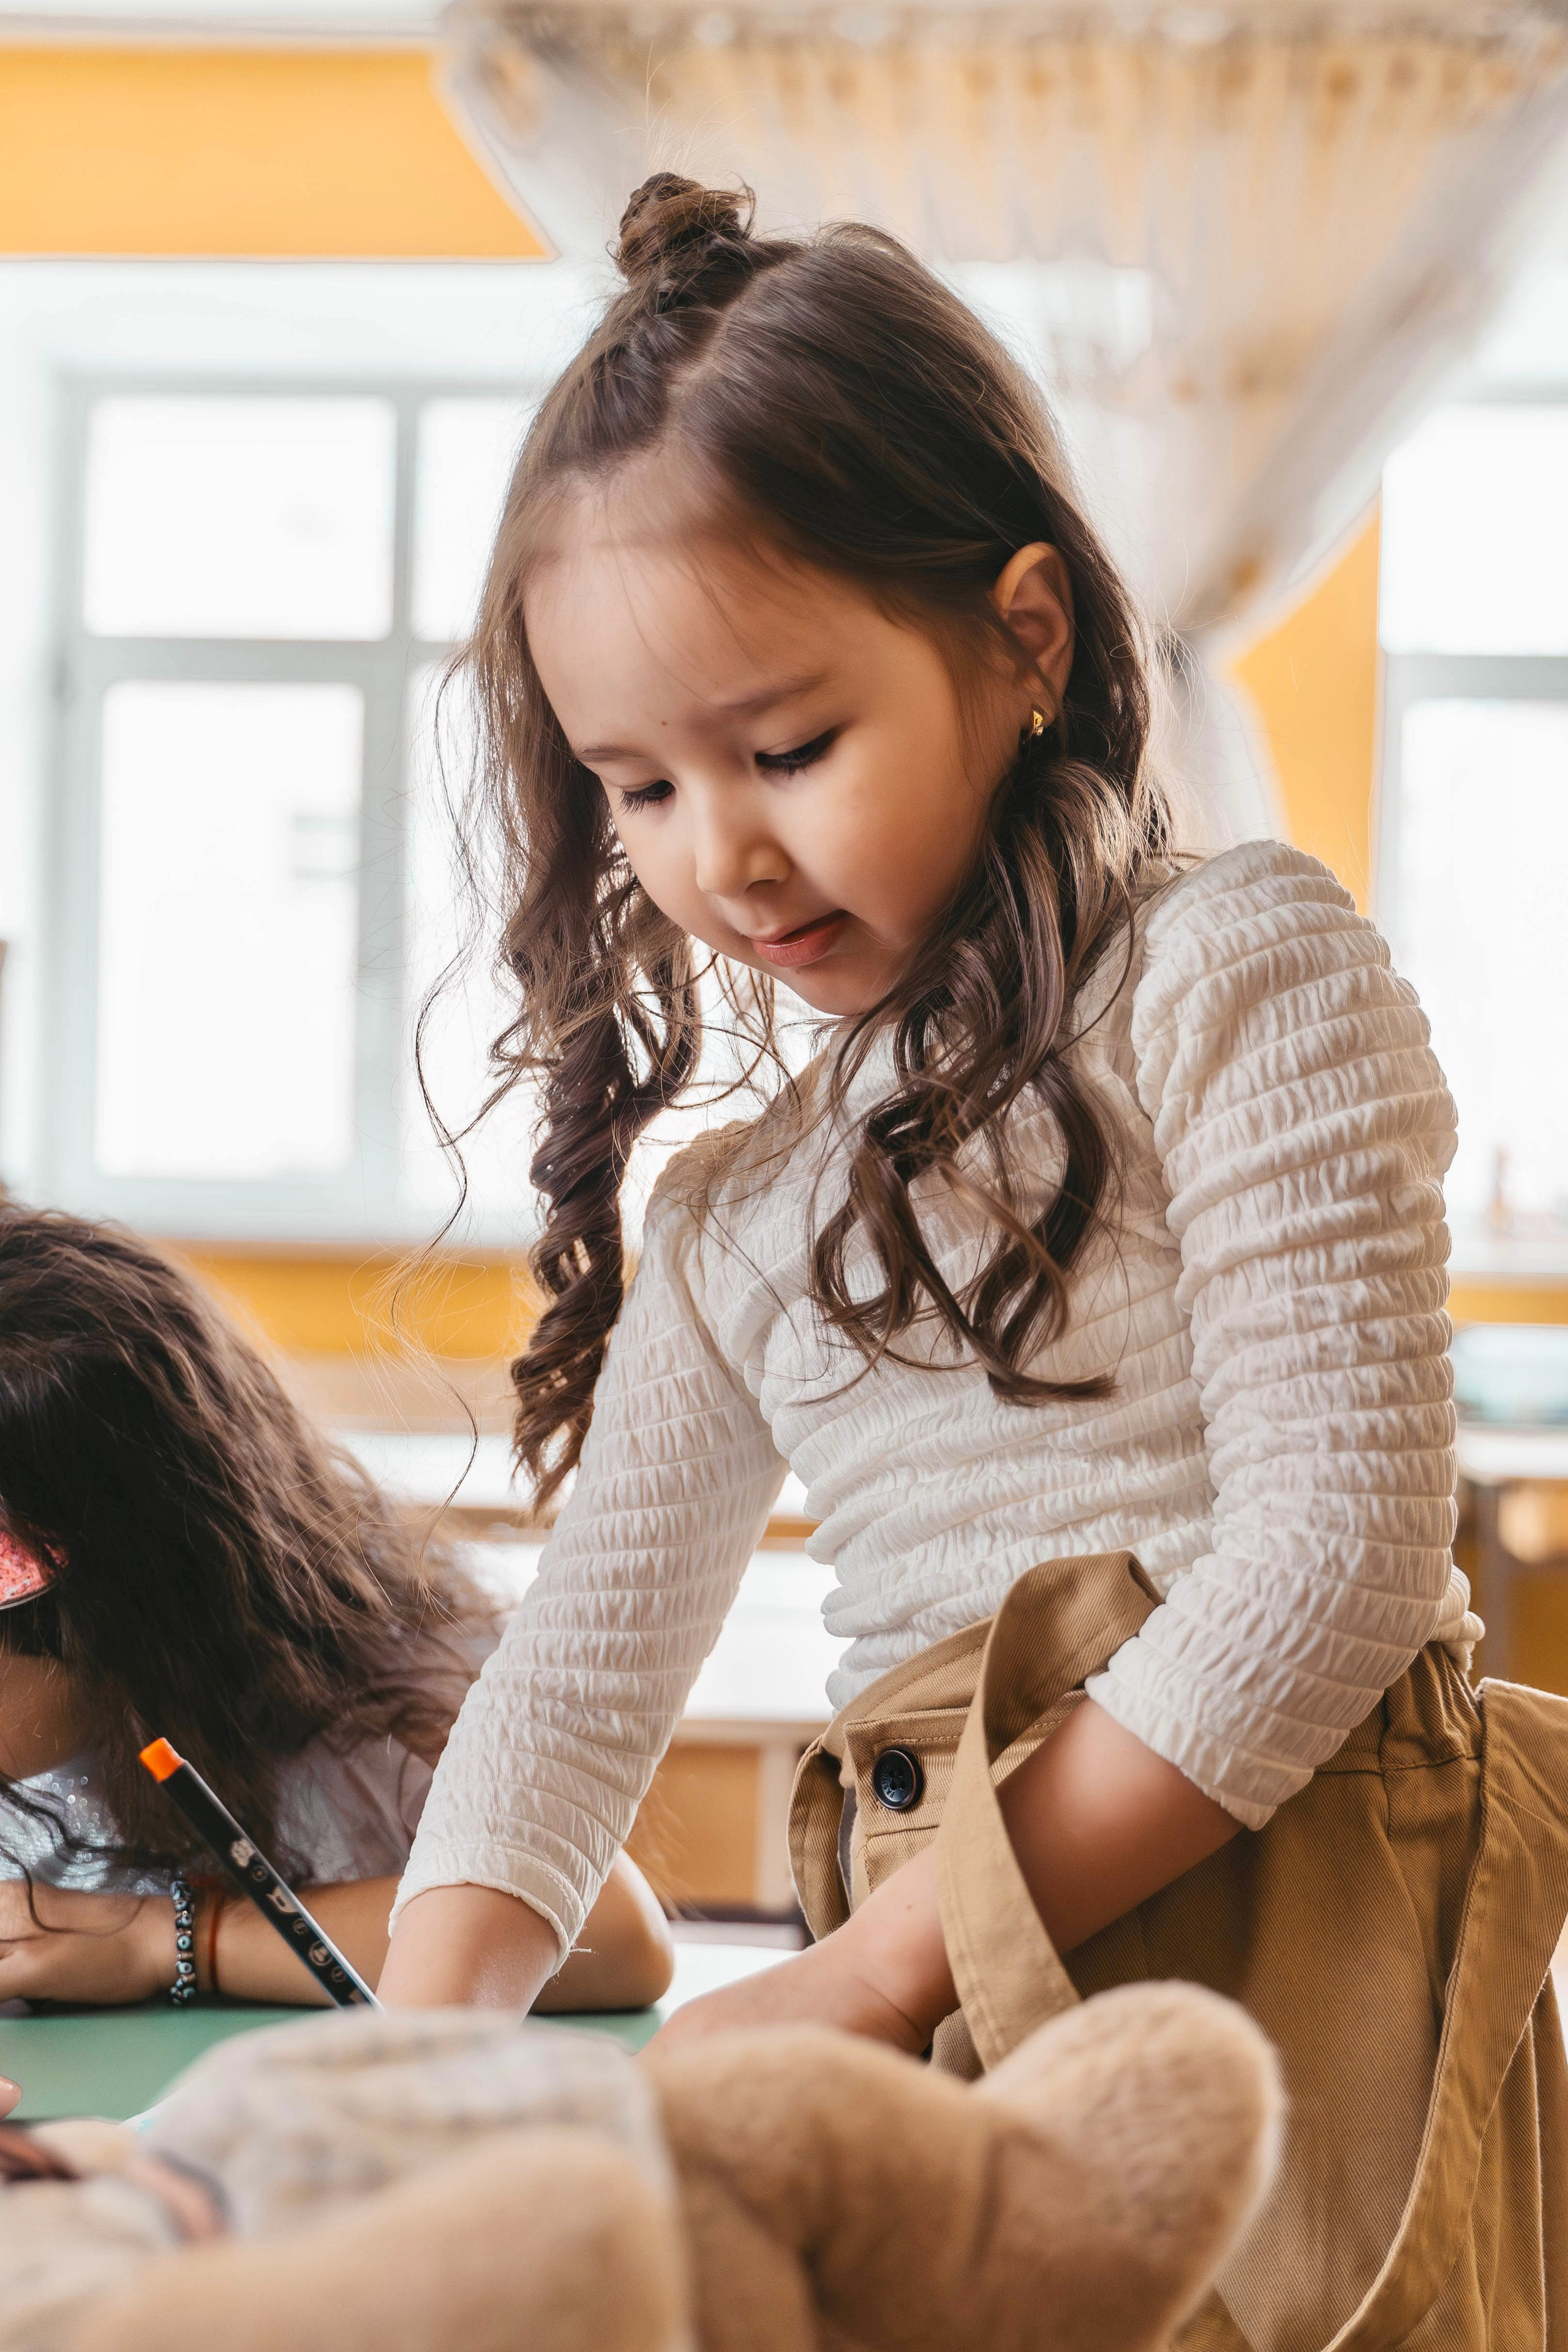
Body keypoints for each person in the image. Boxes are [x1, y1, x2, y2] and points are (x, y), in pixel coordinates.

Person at [379, 175, 1568, 2341]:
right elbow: (572, 1688)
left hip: (1273, 1902)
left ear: (1026, 639)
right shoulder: (741, 1213)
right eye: (634, 788)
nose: (715, 858)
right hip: (940, 1942)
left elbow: (1338, 1561)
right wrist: (407, 2070)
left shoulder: (1240, 970)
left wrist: (861, 1977)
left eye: (788, 747)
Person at [0, 1204, 672, 2015]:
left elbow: (622, 1937)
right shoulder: (51, 1687)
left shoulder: (371, 1720)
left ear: (130, 1618)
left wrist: (172, 1938)